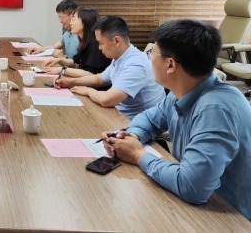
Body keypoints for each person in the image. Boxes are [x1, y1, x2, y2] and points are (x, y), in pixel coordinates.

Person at [103, 19, 251, 221]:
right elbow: (149, 118)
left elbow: (193, 187)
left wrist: (137, 155)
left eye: (151, 53)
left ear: (170, 64)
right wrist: (130, 135)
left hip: (228, 216)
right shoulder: (181, 91)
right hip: (195, 204)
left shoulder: (216, 109)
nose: (149, 59)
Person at [56, 16, 165, 119]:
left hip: (134, 123)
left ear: (117, 41)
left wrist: (87, 91)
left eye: (101, 43)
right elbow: (99, 79)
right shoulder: (121, 57)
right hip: (118, 114)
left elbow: (107, 100)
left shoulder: (136, 65)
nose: (99, 48)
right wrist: (71, 82)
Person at [41, 6, 111, 76]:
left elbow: (90, 74)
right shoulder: (84, 41)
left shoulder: (95, 43)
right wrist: (60, 60)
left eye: (74, 19)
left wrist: (62, 70)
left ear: (85, 21)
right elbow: (76, 63)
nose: (71, 23)